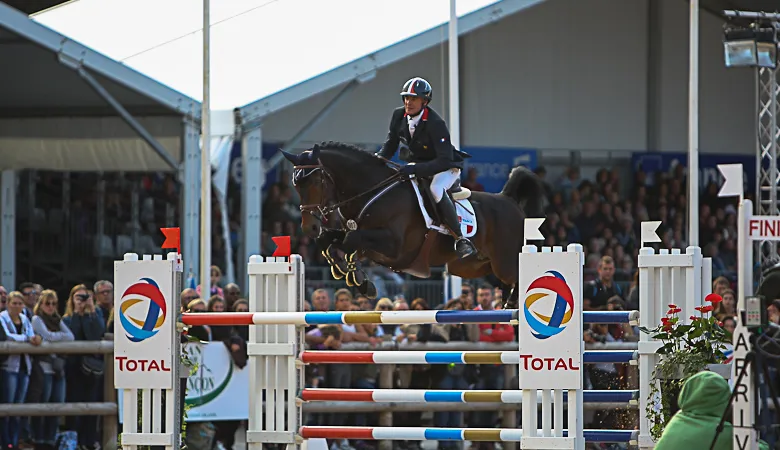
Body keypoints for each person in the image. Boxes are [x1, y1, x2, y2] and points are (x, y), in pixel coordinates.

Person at [375, 76, 476, 258]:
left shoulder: (436, 124)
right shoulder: (399, 115)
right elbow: (391, 142)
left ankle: (460, 239)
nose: (408, 102)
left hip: (446, 167)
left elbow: (443, 160)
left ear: (424, 101)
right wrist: (379, 159)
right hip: (420, 164)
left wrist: (414, 169)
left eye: (413, 98)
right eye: (406, 98)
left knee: (436, 189)